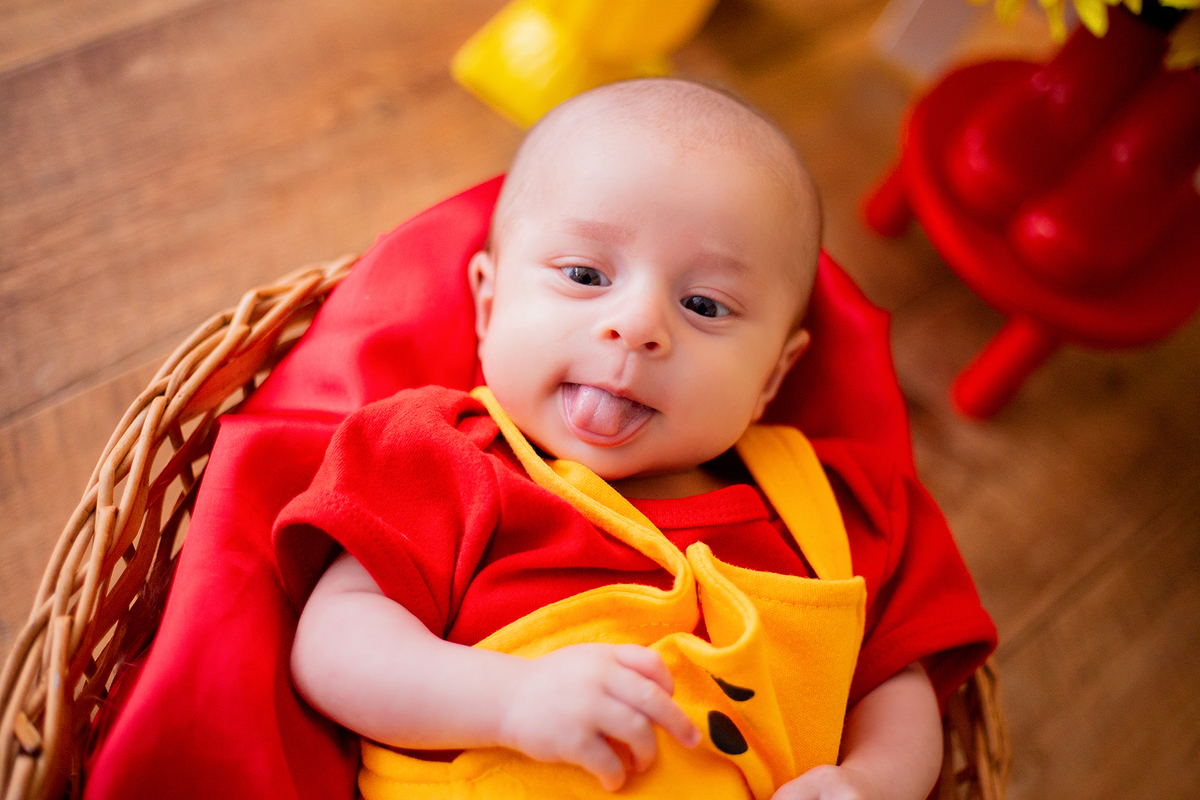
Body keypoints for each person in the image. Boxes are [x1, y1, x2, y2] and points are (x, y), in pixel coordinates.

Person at [274, 78, 996, 800]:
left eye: (704, 304)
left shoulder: (839, 511)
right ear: (489, 306)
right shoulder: (442, 457)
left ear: (772, 376)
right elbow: (335, 642)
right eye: (585, 274)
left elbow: (896, 684)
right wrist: (510, 699)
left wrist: (870, 781)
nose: (638, 324)